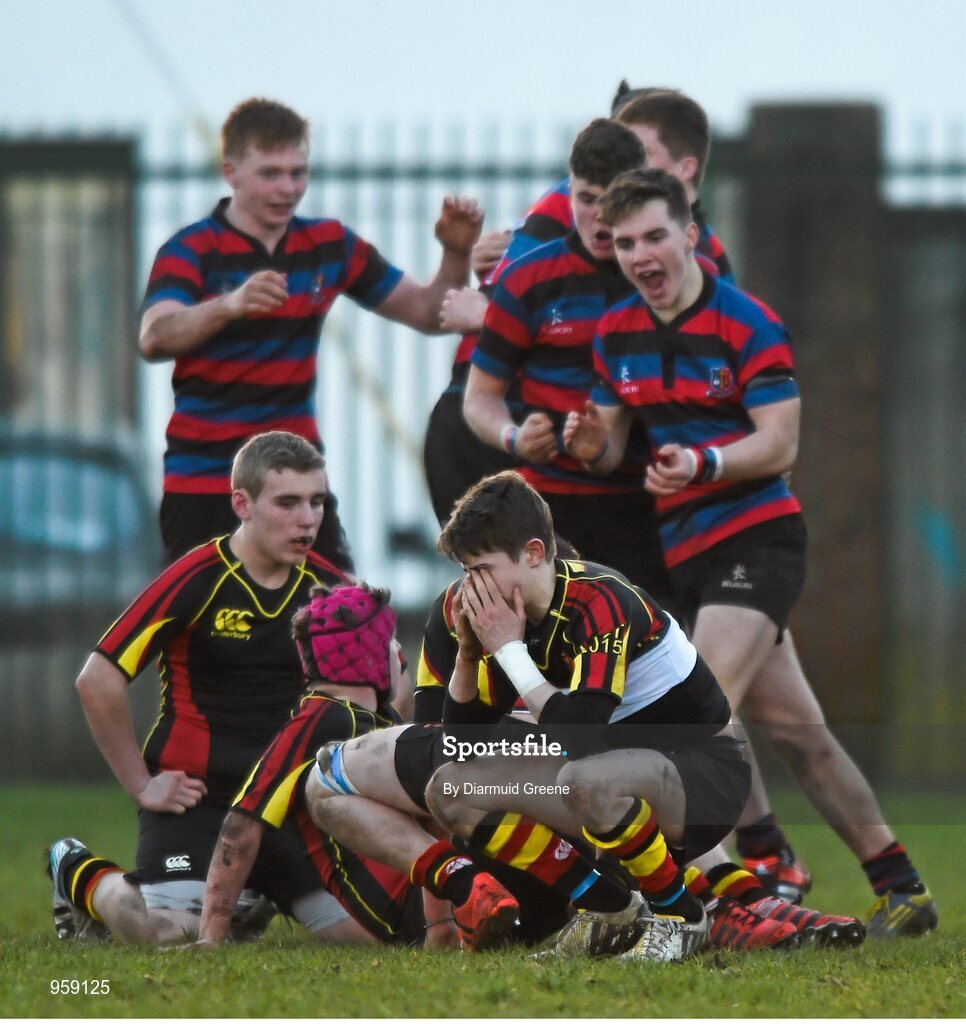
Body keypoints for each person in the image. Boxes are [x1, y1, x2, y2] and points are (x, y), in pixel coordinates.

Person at [564, 168, 938, 939]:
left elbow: (780, 442)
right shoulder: (616, 333)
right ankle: (899, 884)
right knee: (799, 731)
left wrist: (704, 465)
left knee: (696, 710)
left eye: (656, 235)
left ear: (692, 234)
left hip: (758, 538)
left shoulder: (747, 322)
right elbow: (608, 449)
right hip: (691, 556)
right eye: (627, 242)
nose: (641, 254)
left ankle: (718, 903)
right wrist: (584, 441)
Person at [46, 431, 373, 945]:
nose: (307, 519)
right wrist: (141, 783)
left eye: (317, 502)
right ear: (242, 503)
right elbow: (97, 679)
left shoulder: (334, 593)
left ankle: (248, 892)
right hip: (197, 799)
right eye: (287, 502)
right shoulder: (197, 578)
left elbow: (384, 693)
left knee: (367, 936)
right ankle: (76, 869)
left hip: (287, 801)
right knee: (168, 936)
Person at [415, 470, 753, 961]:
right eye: (467, 572)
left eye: (482, 569)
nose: (473, 588)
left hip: (707, 777)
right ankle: (612, 910)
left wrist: (509, 652)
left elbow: (581, 735)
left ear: (533, 553)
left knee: (583, 775)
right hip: (618, 772)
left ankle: (683, 916)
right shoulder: (511, 619)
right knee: (450, 788)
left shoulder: (601, 599)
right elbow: (463, 743)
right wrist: (468, 655)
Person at [140, 97, 483, 568]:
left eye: (298, 173)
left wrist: (455, 254)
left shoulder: (328, 245)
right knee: (203, 634)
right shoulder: (191, 248)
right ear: (230, 172)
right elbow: (155, 335)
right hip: (205, 481)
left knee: (342, 621)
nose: (287, 188)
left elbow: (430, 312)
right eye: (270, 174)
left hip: (296, 482)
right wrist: (229, 305)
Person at [463, 118, 676, 602]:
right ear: (569, 192)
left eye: (614, 199)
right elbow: (480, 398)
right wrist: (514, 436)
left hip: (647, 502)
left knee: (647, 663)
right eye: (586, 199)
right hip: (547, 505)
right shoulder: (528, 279)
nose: (599, 216)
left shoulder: (667, 280)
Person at [195, 583, 458, 950]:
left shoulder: (372, 719)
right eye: (390, 641)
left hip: (420, 899)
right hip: (402, 915)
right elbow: (239, 827)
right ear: (369, 657)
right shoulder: (320, 718)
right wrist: (210, 937)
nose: (399, 653)